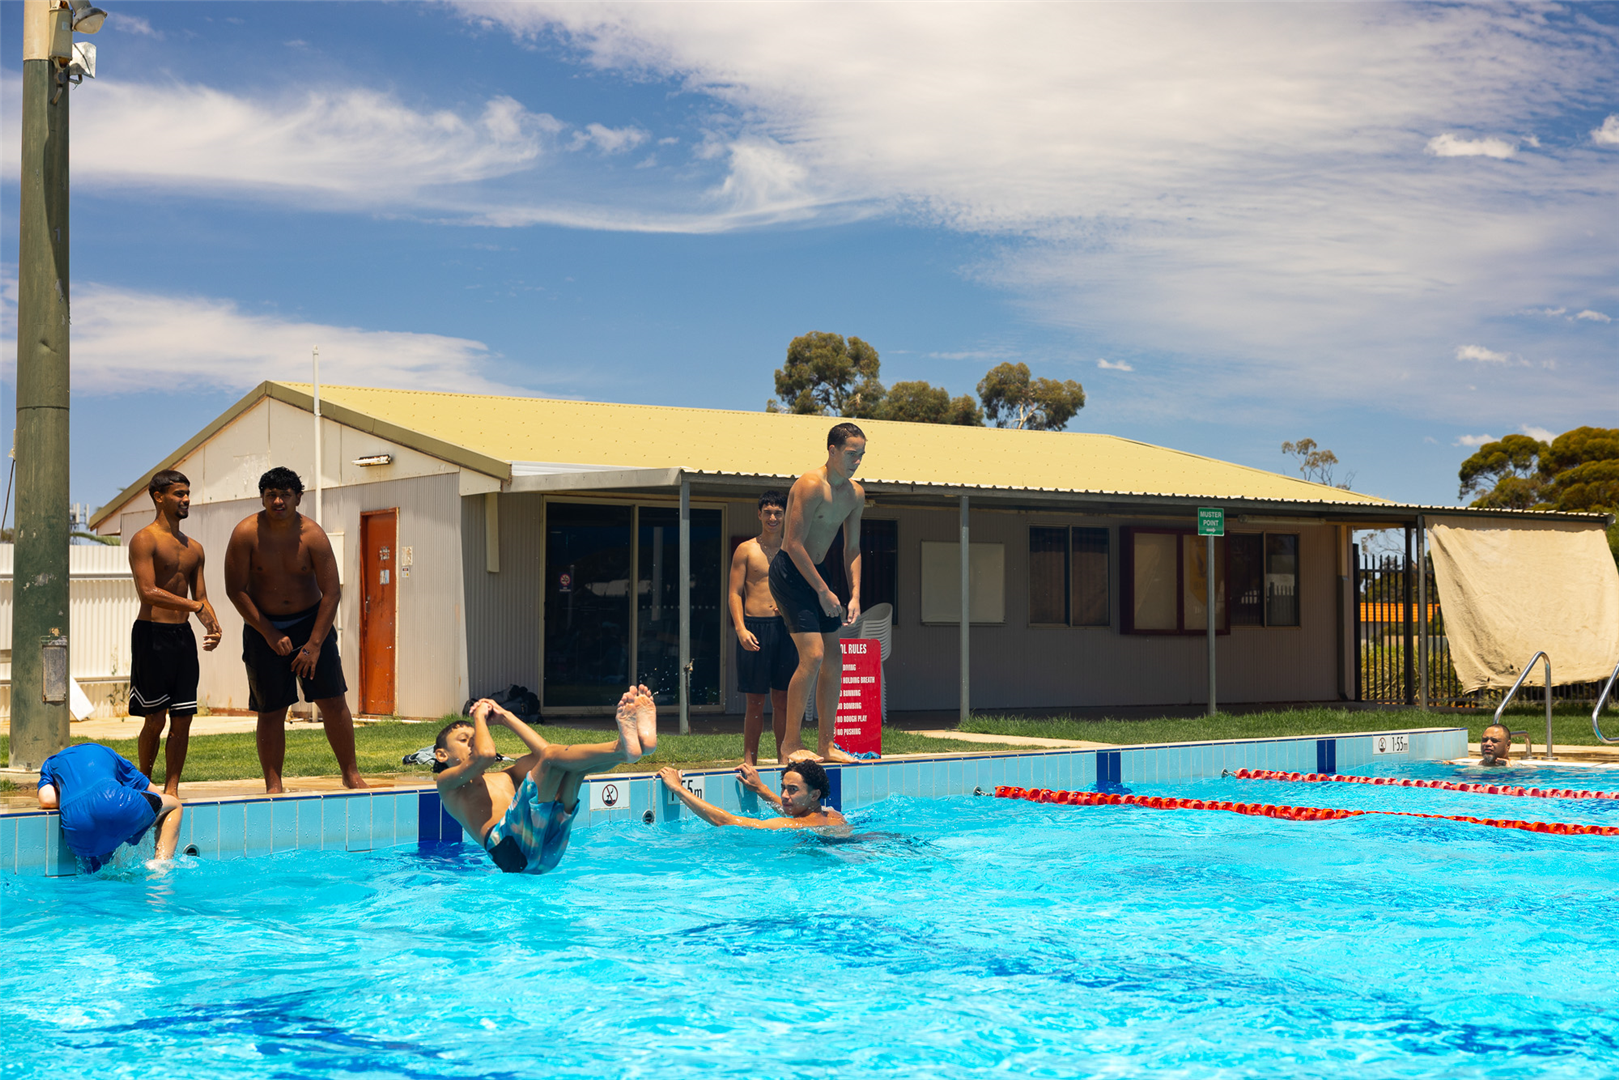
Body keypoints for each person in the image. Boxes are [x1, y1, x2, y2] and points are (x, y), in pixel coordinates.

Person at [224, 467, 366, 793]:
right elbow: (235, 590)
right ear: (262, 498)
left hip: (311, 624)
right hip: (263, 627)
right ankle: (273, 785)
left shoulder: (313, 535)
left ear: (298, 498)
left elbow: (332, 592)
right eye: (271, 495)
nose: (278, 501)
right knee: (271, 709)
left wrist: (314, 645)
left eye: (285, 495)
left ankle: (351, 774)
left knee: (333, 701)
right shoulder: (245, 534)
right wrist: (269, 633)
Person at [435, 685, 658, 874]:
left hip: (547, 856)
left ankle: (634, 748)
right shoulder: (449, 785)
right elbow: (486, 754)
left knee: (571, 769)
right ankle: (621, 748)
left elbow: (546, 752)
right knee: (553, 759)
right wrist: (478, 717)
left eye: (476, 738)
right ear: (442, 755)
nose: (473, 742)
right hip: (508, 849)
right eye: (464, 740)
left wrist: (505, 717)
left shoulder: (507, 775)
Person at [771, 423, 868, 763]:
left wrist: (855, 594)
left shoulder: (855, 494)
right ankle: (790, 744)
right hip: (790, 571)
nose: (857, 461)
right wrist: (824, 591)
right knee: (812, 656)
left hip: (817, 571)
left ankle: (826, 744)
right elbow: (792, 544)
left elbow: (852, 548)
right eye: (852, 454)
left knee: (834, 660)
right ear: (832, 450)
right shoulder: (811, 485)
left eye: (862, 455)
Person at [127, 469, 222, 797]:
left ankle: (172, 789)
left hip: (183, 638)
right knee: (155, 718)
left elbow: (201, 597)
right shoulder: (144, 539)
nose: (186, 499)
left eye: (187, 493)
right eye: (179, 494)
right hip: (152, 636)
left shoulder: (195, 548)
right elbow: (148, 591)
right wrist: (195, 607)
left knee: (183, 718)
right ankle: (144, 785)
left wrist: (212, 624)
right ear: (159, 497)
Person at [728, 489, 797, 766]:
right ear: (759, 514)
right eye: (767, 512)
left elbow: (801, 590)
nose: (772, 518)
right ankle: (750, 761)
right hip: (755, 628)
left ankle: (784, 759)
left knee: (783, 699)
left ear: (785, 516)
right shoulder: (746, 549)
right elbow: (734, 593)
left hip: (785, 629)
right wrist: (740, 629)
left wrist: (790, 606)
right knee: (755, 700)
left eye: (778, 513)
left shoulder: (792, 550)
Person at [37, 743, 184, 871]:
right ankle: (160, 866)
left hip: (76, 825)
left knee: (102, 874)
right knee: (174, 806)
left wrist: (67, 795)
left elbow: (46, 800)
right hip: (115, 802)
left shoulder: (51, 763)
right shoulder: (105, 751)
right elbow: (154, 793)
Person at [656, 759, 847, 831]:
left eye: (793, 790)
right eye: (783, 788)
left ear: (814, 795)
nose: (784, 796)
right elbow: (796, 809)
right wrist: (761, 789)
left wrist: (678, 789)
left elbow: (725, 821)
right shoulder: (834, 816)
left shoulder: (791, 826)